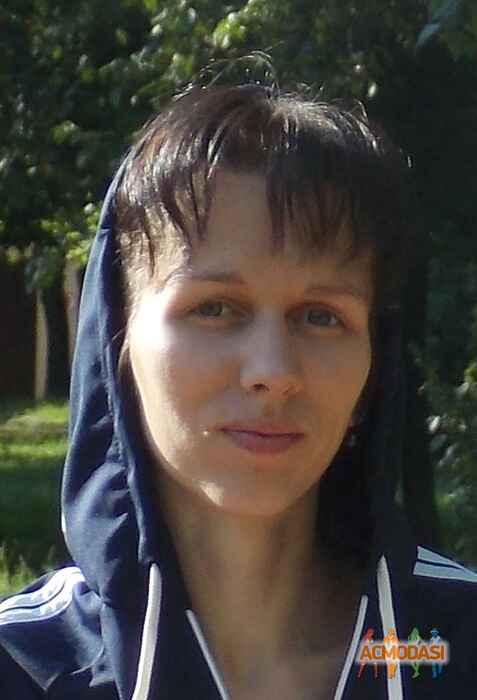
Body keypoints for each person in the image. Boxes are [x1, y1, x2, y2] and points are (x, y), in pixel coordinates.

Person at [1, 81, 476, 700]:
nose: (272, 371)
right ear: (117, 342)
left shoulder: (448, 648)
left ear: (371, 373)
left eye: (321, 316)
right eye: (215, 308)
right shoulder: (24, 667)